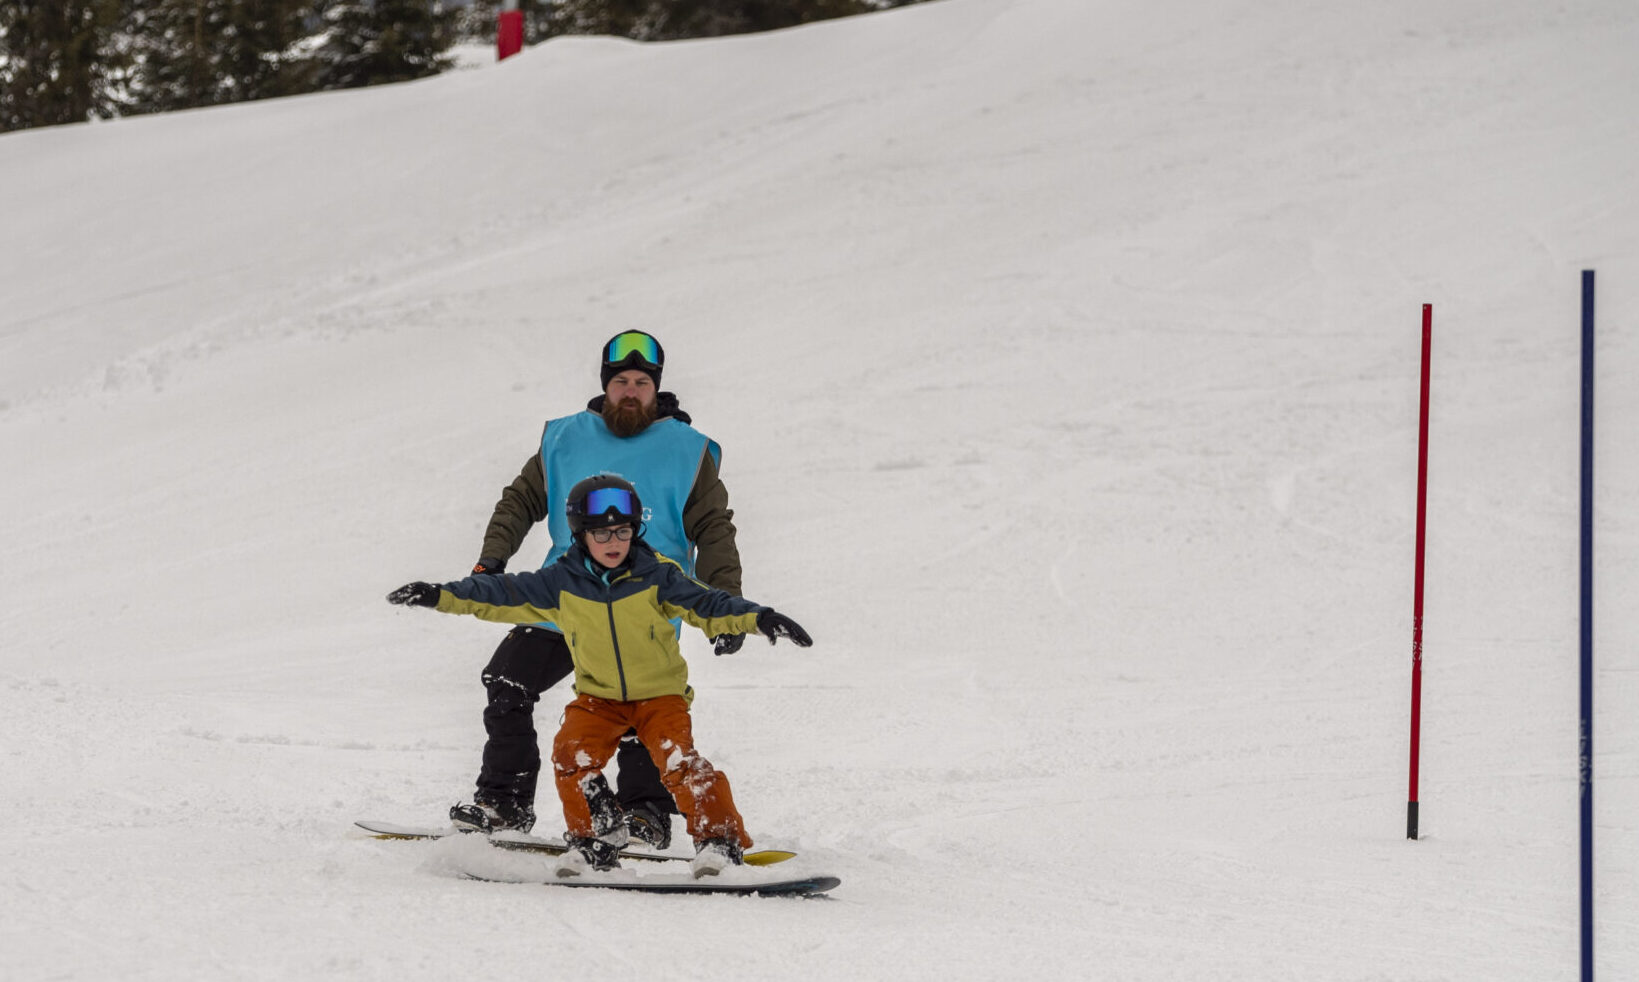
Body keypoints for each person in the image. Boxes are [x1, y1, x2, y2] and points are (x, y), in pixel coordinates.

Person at [387, 475, 812, 877]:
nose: (614, 542)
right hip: (599, 698)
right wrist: (438, 594)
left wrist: (759, 619)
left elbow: (709, 604)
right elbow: (498, 593)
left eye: (624, 531)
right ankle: (596, 838)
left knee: (679, 762)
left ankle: (719, 842)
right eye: (602, 533)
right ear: (581, 534)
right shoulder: (560, 582)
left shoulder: (658, 575)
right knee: (570, 755)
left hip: (659, 696)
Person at [448, 330, 746, 847]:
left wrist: (726, 604)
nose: (630, 392)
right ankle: (504, 804)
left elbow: (714, 529)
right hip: (564, 598)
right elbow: (519, 501)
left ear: (656, 389)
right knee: (507, 682)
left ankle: (644, 815)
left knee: (637, 708)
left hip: (643, 606)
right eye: (621, 382)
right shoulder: (565, 439)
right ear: (606, 386)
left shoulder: (688, 451)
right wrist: (492, 559)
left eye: (641, 383)